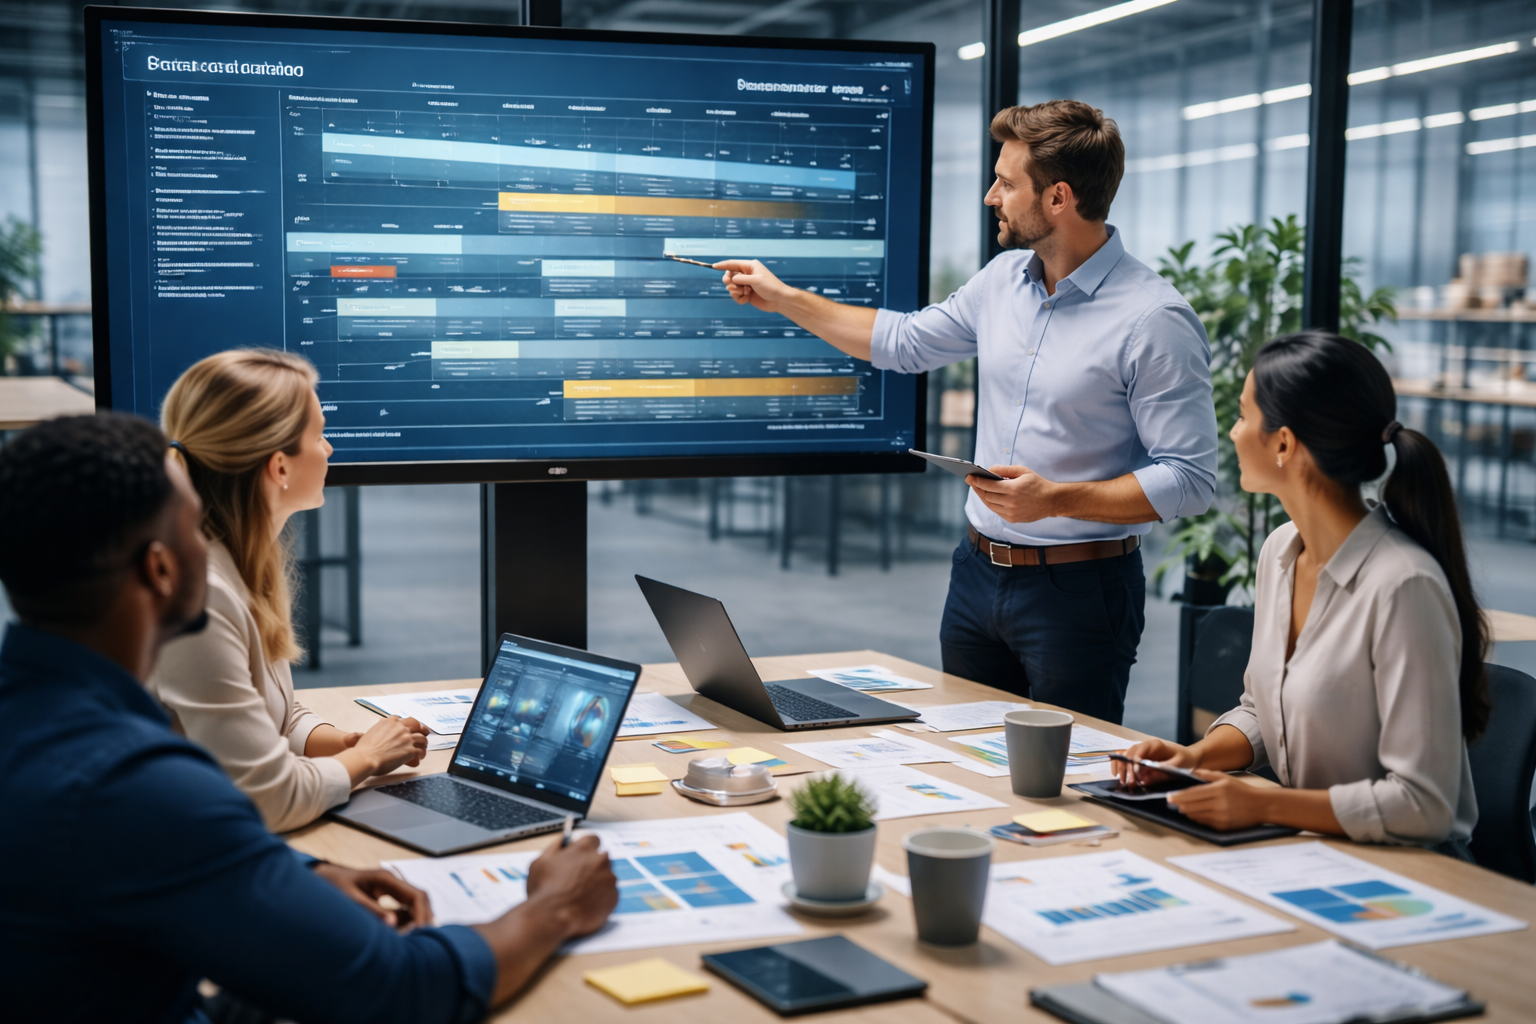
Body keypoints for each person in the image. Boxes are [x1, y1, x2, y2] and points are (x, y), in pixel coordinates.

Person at [0, 413, 619, 1023]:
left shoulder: (36, 725)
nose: (210, 543)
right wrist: (555, 908)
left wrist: (297, 873)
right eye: (195, 525)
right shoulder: (135, 785)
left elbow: (137, 856)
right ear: (160, 570)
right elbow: (404, 989)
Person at [713, 100, 1217, 724]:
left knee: (1071, 778)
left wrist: (1055, 499)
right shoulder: (1002, 279)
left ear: (1058, 197)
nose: (989, 196)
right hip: (977, 573)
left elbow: (1190, 479)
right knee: (963, 754)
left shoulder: (1153, 320)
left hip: (1081, 593)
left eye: (1007, 183)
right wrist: (784, 298)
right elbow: (903, 343)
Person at [1113, 331, 1487, 854]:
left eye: (1243, 416)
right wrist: (1192, 758)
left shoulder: (1403, 585)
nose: (1234, 431)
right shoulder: (1282, 550)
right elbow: (1265, 711)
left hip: (1406, 865)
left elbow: (1423, 805)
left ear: (1284, 444)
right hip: (1313, 845)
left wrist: (1263, 805)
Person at [147, 349, 427, 832]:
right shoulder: (203, 600)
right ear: (279, 467)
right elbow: (266, 799)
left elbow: (265, 708)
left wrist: (341, 742)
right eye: (319, 434)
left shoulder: (237, 560)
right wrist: (363, 760)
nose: (330, 449)